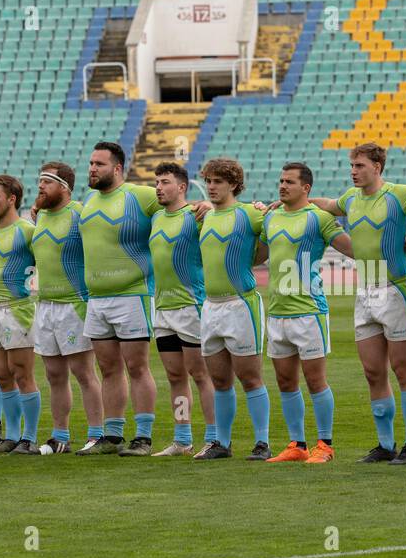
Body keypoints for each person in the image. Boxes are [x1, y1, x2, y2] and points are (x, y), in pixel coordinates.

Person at [308, 143, 406, 465]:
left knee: (403, 370)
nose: (353, 171)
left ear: (377, 166)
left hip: (396, 289)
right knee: (373, 372)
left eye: (359, 165)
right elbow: (331, 205)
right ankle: (385, 444)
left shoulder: (400, 194)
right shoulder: (350, 198)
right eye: (352, 165)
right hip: (365, 291)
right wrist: (299, 201)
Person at [263, 162, 354, 464]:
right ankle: (297, 445)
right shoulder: (271, 218)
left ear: (306, 188)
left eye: (289, 181)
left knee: (316, 381)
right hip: (277, 312)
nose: (282, 186)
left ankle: (325, 445)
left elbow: (352, 249)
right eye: (281, 181)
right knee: (285, 382)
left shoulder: (319, 219)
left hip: (308, 311)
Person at [77, 141, 161, 457]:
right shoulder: (89, 200)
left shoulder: (140, 196)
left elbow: (178, 208)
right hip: (97, 299)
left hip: (133, 295)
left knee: (137, 367)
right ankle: (111, 436)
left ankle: (143, 437)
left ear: (116, 168)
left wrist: (203, 208)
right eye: (90, 163)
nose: (92, 169)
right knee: (108, 368)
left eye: (98, 164)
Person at [195, 157, 272, 460]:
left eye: (218, 182)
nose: (211, 187)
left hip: (241, 304)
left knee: (250, 377)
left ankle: (262, 442)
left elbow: (267, 239)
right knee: (219, 380)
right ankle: (221, 443)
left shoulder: (250, 214)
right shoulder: (204, 216)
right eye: (209, 181)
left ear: (233, 184)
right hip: (211, 306)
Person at [31, 162, 104, 455]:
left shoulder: (80, 214)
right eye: (39, 182)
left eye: (46, 182)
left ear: (64, 187)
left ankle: (96, 434)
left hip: (74, 304)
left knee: (83, 372)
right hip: (45, 305)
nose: (40, 188)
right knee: (53, 374)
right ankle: (60, 436)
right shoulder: (39, 217)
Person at [149, 162, 216, 456]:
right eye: (157, 183)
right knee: (175, 376)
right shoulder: (155, 218)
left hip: (190, 305)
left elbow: (220, 219)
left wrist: (210, 208)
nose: (159, 188)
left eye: (165, 182)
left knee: (201, 374)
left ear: (182, 187)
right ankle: (182, 439)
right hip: (163, 307)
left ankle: (214, 437)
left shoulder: (196, 216)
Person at [0, 175, 41, 455]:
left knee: (22, 374)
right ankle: (12, 435)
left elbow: (43, 260)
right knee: (2, 375)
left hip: (18, 310)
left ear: (11, 199)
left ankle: (29, 437)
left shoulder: (26, 230)